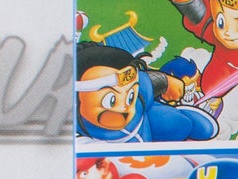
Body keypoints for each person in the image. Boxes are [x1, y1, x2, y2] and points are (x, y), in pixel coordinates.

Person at [75, 41, 218, 143]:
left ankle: (186, 118)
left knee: (182, 125)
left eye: (130, 96)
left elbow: (144, 81)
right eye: (111, 100)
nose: (123, 107)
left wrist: (166, 81)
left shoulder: (137, 95)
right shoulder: (79, 135)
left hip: (146, 119)